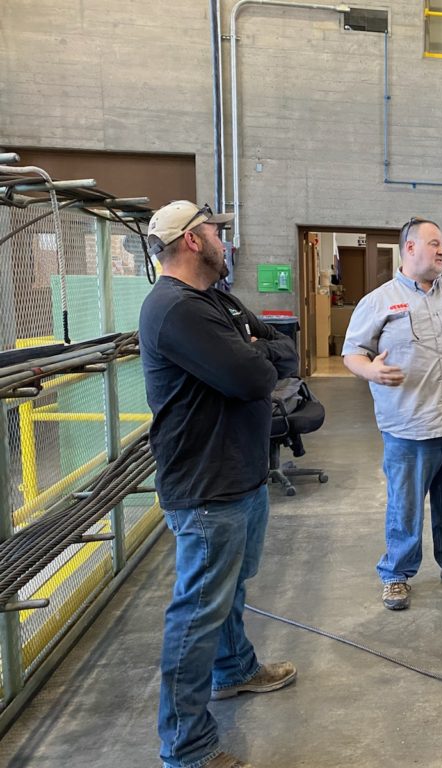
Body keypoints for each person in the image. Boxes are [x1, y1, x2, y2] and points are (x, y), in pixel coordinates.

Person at [139, 200, 299, 768]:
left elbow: (284, 349)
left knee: (230, 591)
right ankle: (186, 747)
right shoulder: (177, 309)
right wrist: (256, 356)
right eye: (215, 232)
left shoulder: (214, 300)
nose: (223, 241)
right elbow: (253, 374)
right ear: (190, 241)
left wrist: (259, 353)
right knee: (197, 613)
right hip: (207, 485)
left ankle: (234, 671)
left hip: (239, 474)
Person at [343, 217, 442, 611]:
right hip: (411, 425)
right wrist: (371, 370)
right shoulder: (378, 301)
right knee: (406, 505)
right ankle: (396, 574)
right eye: (434, 243)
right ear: (409, 248)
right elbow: (352, 353)